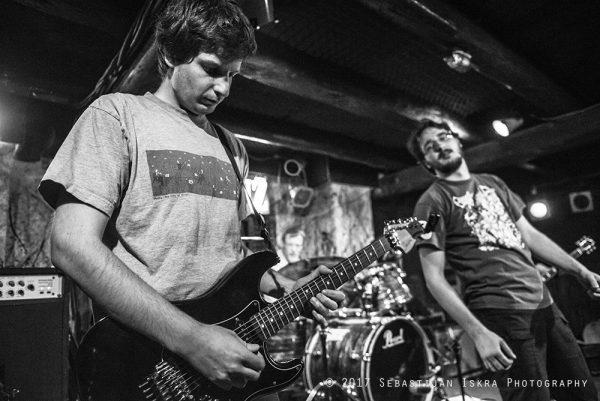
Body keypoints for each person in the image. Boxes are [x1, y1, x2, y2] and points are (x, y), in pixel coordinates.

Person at [39, 0, 344, 395]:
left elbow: (224, 258)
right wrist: (191, 339)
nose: (223, 89)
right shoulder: (116, 115)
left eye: (232, 76)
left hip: (228, 365)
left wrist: (286, 285)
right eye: (212, 70)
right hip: (149, 367)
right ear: (169, 55)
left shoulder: (232, 148)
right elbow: (70, 245)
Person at [407, 120, 600, 401]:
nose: (440, 145)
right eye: (430, 146)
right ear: (426, 162)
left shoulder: (493, 183)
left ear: (458, 141)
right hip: (501, 313)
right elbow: (434, 277)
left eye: (444, 136)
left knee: (584, 395)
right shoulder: (431, 203)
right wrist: (478, 333)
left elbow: (530, 236)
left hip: (545, 306)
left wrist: (581, 271)